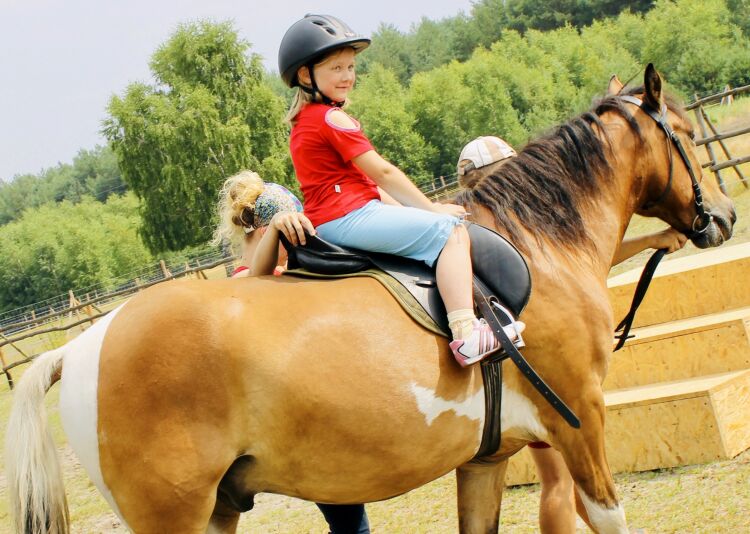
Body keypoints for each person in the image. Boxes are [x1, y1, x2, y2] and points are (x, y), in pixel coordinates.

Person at [458, 135, 687, 534]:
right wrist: (651, 239)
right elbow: (584, 259)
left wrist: (650, 240)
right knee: (560, 482)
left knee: (562, 482)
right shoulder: (522, 222)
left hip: (507, 375)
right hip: (545, 370)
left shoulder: (477, 227)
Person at [278, 14, 524, 368]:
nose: (347, 76)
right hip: (348, 217)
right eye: (336, 68)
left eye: (351, 66)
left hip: (334, 218)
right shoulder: (332, 119)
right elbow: (383, 172)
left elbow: (370, 188)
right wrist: (432, 211)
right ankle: (467, 333)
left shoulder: (305, 123)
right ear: (306, 75)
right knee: (452, 233)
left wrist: (414, 211)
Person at [214, 170, 371, 534]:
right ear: (264, 233)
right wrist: (277, 232)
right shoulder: (245, 282)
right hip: (300, 426)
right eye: (292, 235)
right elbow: (255, 283)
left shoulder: (280, 273)